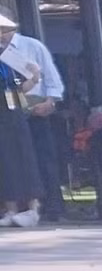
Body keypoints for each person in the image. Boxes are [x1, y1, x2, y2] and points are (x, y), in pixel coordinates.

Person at [0, 12, 64, 222]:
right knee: (8, 159)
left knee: (39, 158)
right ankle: (12, 208)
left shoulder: (32, 46)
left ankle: (47, 208)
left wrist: (51, 100)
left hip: (33, 105)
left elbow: (49, 77)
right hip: (8, 109)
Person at [0, 14, 40, 227]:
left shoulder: (11, 55)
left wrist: (34, 77)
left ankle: (32, 208)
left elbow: (27, 81)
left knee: (23, 154)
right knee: (4, 159)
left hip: (13, 105)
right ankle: (11, 208)